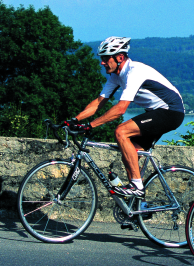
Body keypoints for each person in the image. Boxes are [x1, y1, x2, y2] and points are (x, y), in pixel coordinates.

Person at [67, 36, 185, 198]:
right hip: (155, 112)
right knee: (129, 156)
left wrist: (90, 126)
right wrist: (75, 120)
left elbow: (121, 109)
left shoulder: (134, 72)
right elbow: (98, 102)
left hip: (170, 111)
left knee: (121, 131)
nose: (102, 62)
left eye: (105, 59)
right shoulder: (116, 76)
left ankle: (137, 186)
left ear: (119, 57)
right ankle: (137, 206)